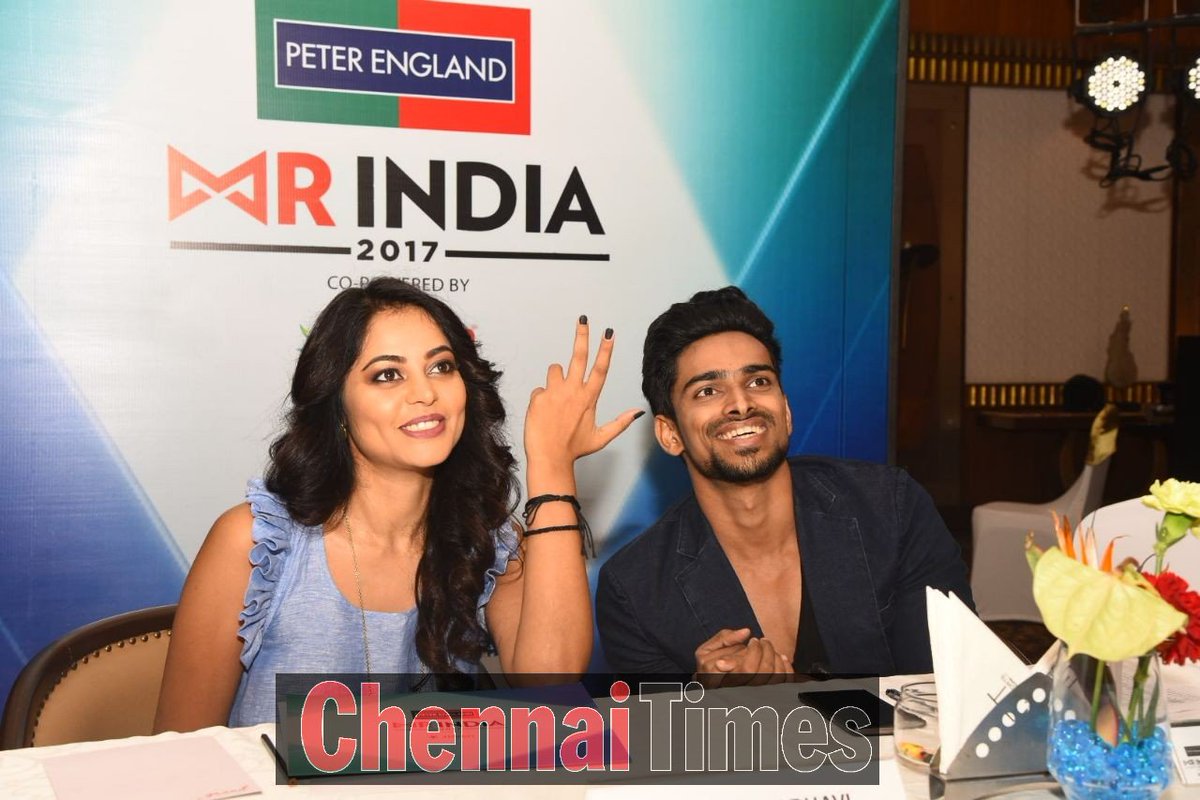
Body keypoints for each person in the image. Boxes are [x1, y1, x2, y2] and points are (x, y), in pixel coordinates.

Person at [155, 278, 640, 731]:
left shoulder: (487, 540)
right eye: (387, 375)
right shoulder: (256, 542)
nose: (425, 393)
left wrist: (553, 469)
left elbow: (551, 683)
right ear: (337, 404)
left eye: (441, 367)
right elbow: (180, 754)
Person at [595, 286, 972, 682]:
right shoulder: (636, 589)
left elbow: (947, 690)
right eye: (708, 391)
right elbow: (658, 722)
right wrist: (705, 703)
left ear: (786, 411)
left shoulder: (890, 510)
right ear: (670, 434)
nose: (741, 404)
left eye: (758, 381)